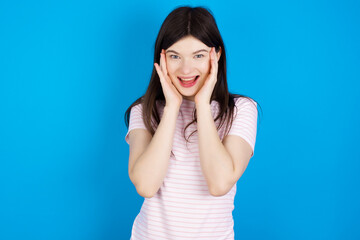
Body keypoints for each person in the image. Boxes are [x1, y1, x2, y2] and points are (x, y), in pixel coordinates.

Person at [124, 6, 259, 240]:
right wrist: (172, 107)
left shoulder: (242, 110)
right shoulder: (144, 110)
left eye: (198, 55)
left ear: (215, 55)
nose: (186, 69)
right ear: (162, 59)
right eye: (175, 56)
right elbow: (145, 185)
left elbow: (219, 184)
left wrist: (203, 104)